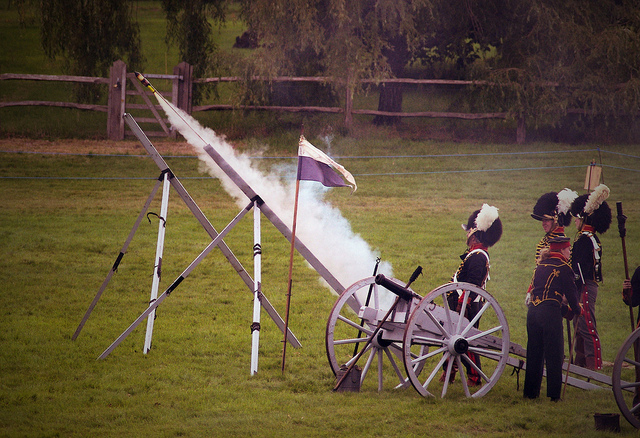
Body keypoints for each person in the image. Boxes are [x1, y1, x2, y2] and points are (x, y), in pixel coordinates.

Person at [444, 203, 503, 386]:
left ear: (475, 234)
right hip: (463, 303)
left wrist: (464, 302)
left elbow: (473, 283)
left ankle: (475, 377)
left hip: (467, 305)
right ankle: (450, 370)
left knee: (466, 342)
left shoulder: (478, 256)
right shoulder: (475, 254)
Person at [523, 236, 582, 401]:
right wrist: (578, 310)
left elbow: (545, 293)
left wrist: (566, 310)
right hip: (550, 315)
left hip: (533, 313)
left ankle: (530, 393)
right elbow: (571, 296)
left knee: (534, 354)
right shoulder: (564, 267)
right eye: (568, 249)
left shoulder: (540, 266)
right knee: (554, 355)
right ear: (562, 249)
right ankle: (554, 395)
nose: (570, 252)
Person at [570, 183, 612, 370]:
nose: (575, 222)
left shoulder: (584, 240)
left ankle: (593, 365)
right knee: (579, 326)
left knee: (587, 326)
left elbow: (579, 271)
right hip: (586, 285)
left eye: (577, 219)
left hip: (584, 286)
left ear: (585, 217)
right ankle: (580, 363)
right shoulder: (590, 238)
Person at [526, 189, 578, 305]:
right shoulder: (546, 239)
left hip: (552, 292)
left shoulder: (560, 241)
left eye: (547, 220)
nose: (543, 223)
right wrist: (531, 290)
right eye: (543, 220)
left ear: (555, 220)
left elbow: (565, 270)